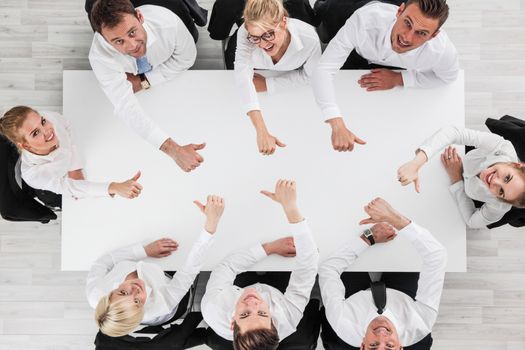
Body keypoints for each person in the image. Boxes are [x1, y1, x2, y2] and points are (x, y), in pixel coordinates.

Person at [311, 0, 459, 153]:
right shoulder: (364, 20)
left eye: (421, 33)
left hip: (384, 62)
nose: (407, 38)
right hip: (349, 14)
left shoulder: (442, 51)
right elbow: (324, 69)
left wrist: (399, 79)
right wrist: (336, 122)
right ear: (399, 11)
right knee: (325, 25)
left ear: (433, 35)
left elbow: (447, 77)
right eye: (407, 23)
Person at [201, 179, 319, 350]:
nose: (253, 303)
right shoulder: (288, 318)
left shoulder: (213, 308)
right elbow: (308, 265)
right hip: (277, 291)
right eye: (263, 313)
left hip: (238, 287)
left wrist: (269, 248)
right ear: (273, 320)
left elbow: (226, 267)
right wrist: (290, 207)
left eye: (245, 314)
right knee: (290, 261)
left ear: (233, 323)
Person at [88, 0, 203, 172]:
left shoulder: (168, 24)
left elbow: (186, 59)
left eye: (132, 32)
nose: (132, 46)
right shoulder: (99, 56)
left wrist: (144, 81)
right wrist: (174, 150)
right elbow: (126, 107)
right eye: (118, 41)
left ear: (140, 17)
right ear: (104, 39)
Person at [87, 195, 225, 337]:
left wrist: (145, 250)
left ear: (109, 294)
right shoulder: (160, 305)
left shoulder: (95, 293)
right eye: (137, 301)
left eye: (123, 292)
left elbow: (102, 262)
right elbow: (188, 272)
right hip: (174, 301)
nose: (136, 289)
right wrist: (211, 223)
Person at [319, 197, 447, 349]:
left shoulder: (343, 322)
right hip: (402, 295)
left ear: (362, 346)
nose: (381, 335)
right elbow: (436, 256)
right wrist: (394, 218)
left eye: (373, 345)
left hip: (355, 297)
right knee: (407, 249)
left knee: (337, 241)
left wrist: (368, 238)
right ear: (400, 347)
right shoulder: (419, 322)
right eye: (389, 345)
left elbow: (328, 269)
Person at [0, 106, 142, 201]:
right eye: (35, 133)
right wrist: (116, 187)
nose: (47, 131)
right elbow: (71, 188)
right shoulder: (33, 174)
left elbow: (66, 126)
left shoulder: (50, 118)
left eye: (42, 122)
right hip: (51, 189)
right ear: (24, 145)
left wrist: (74, 167)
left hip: (70, 172)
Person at [235, 0, 322, 155]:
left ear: (283, 22)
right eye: (255, 38)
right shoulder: (245, 32)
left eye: (268, 34)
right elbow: (242, 75)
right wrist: (261, 131)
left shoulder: (310, 39)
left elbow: (310, 76)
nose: (262, 44)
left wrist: (269, 84)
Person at [397, 126, 525, 229]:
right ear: (516, 164)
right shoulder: (501, 147)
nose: (495, 181)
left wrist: (456, 178)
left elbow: (472, 222)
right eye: (507, 178)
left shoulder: (499, 206)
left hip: (465, 189)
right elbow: (453, 133)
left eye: (501, 191)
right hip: (466, 157)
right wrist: (417, 163)